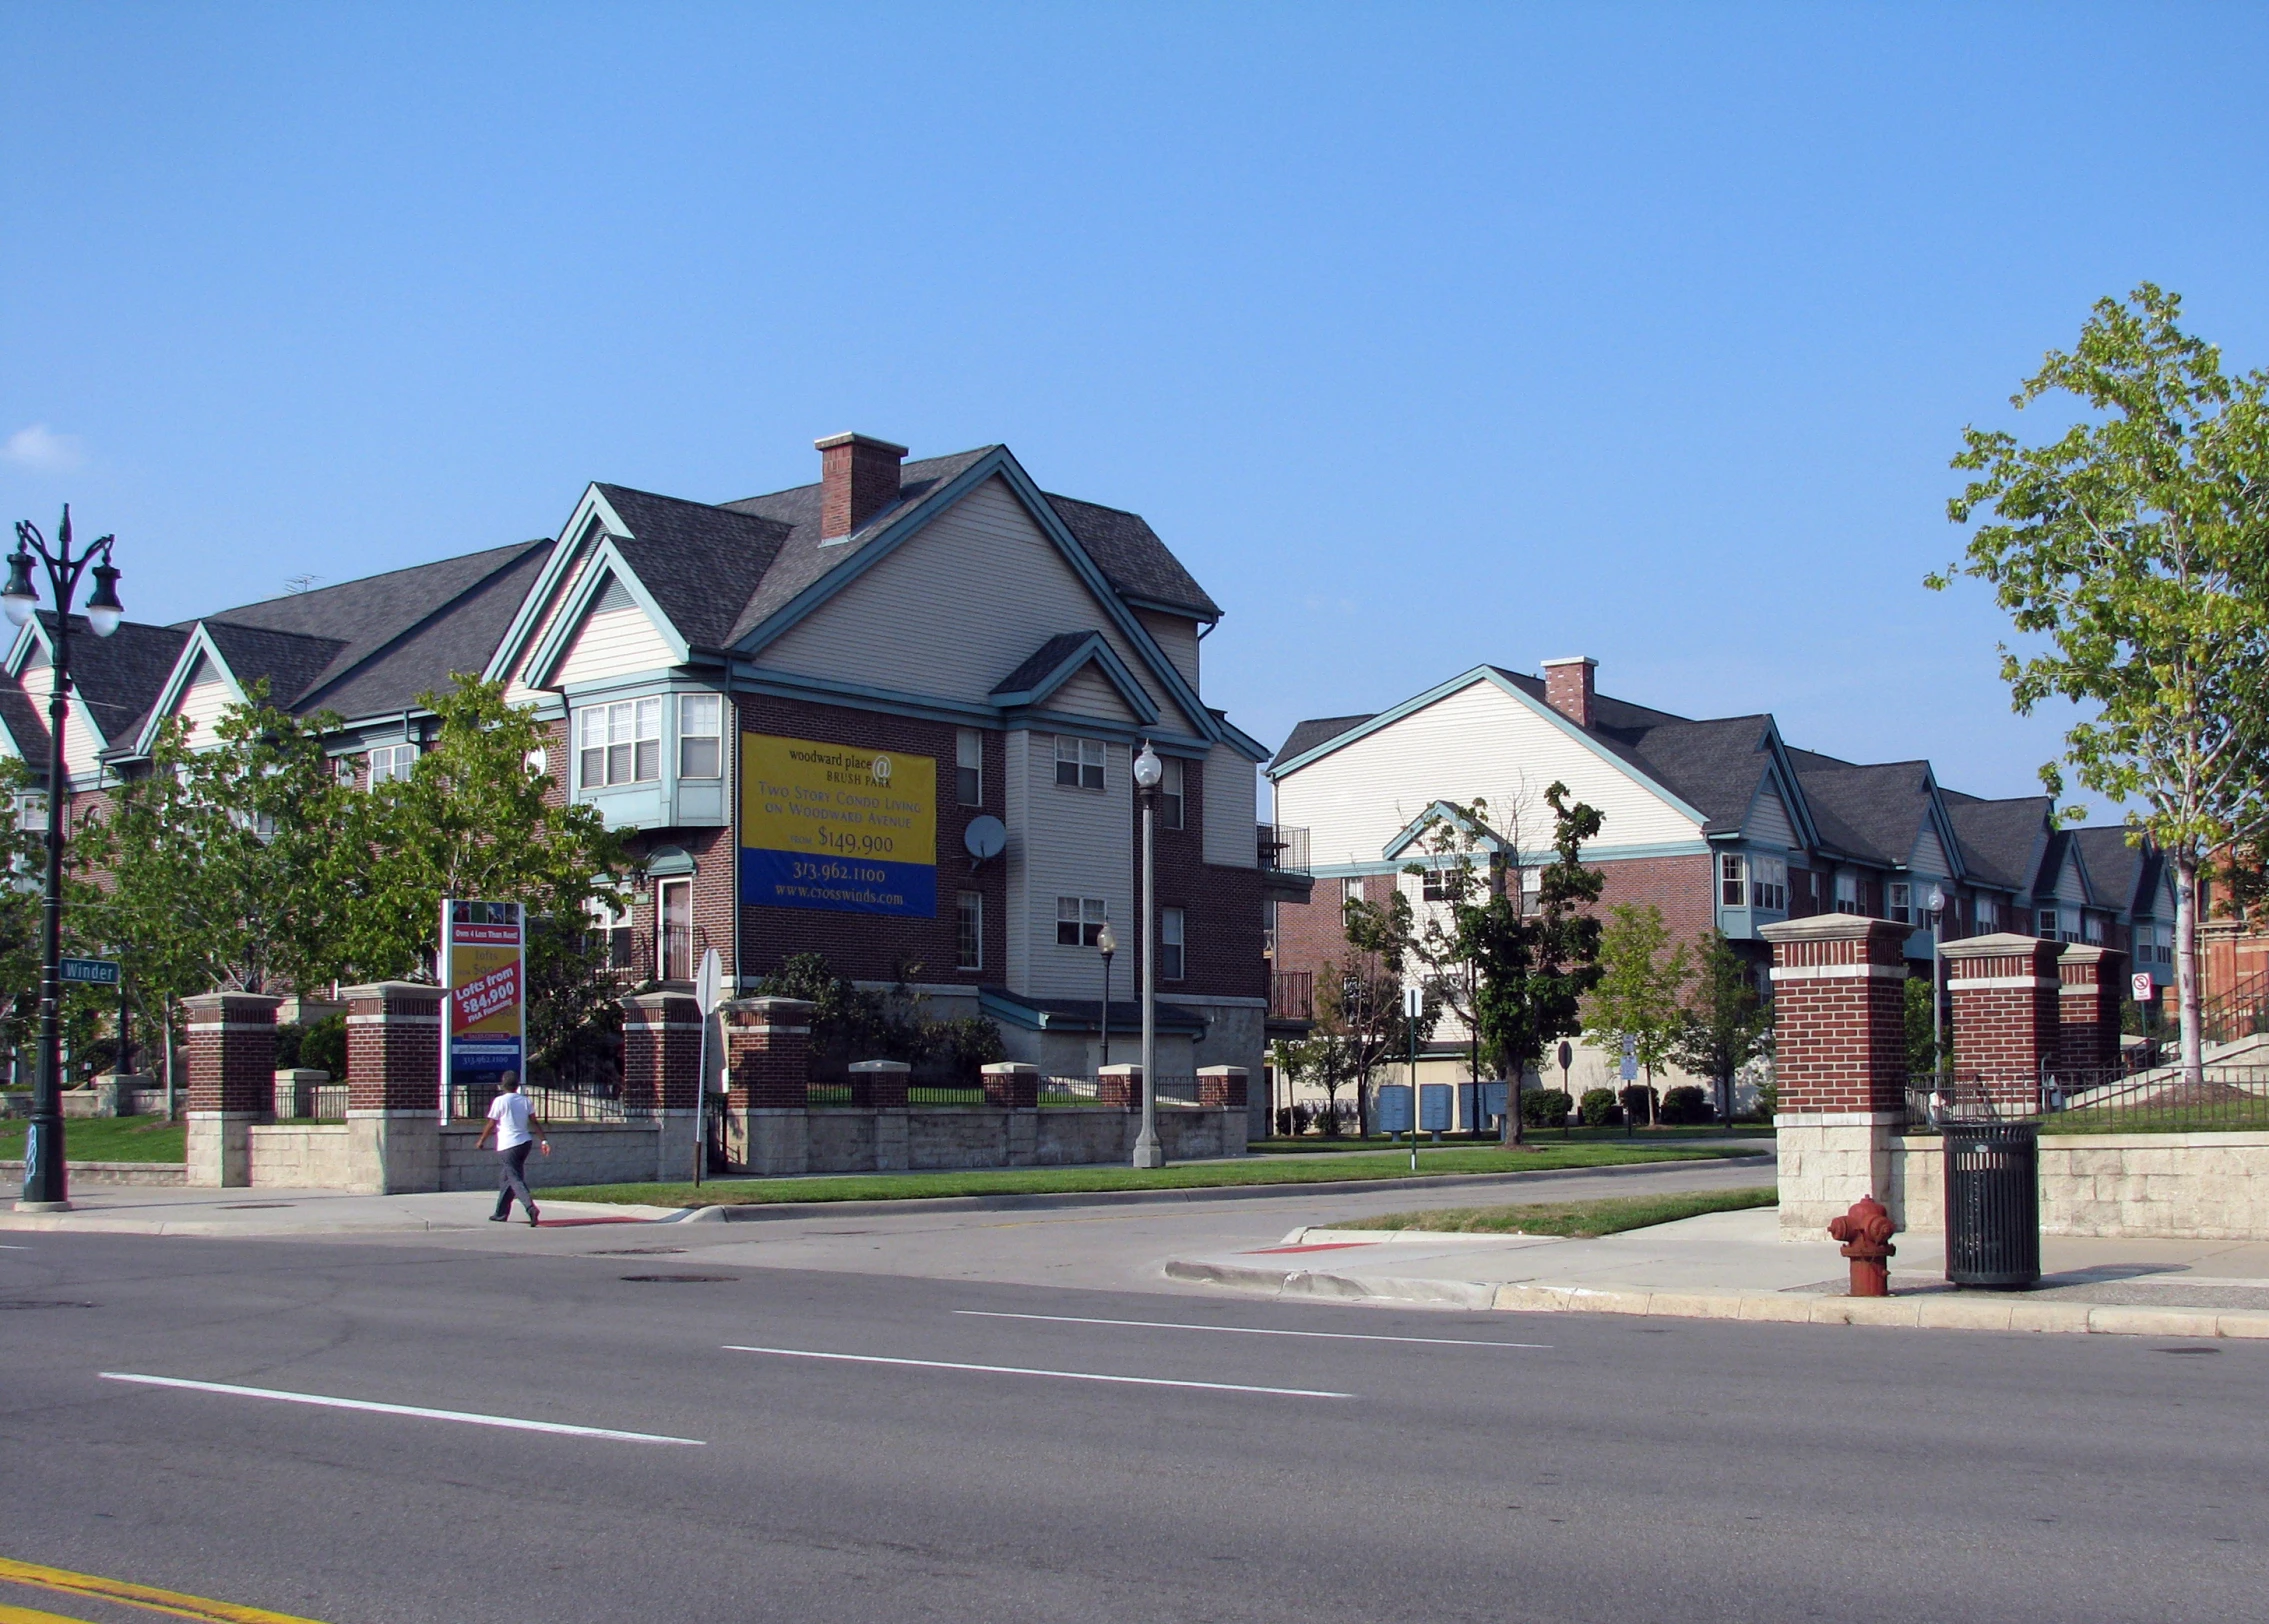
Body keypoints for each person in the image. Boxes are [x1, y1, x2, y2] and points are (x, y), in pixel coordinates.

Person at [474, 1073, 548, 1225]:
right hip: (525, 1143)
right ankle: (500, 1213)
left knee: (514, 1178)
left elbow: (491, 1123)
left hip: (508, 1145)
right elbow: (534, 1122)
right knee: (507, 1177)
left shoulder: (500, 1101)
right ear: (517, 1085)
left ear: (503, 1085)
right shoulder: (525, 1100)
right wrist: (543, 1140)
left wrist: (481, 1140)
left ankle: (530, 1207)